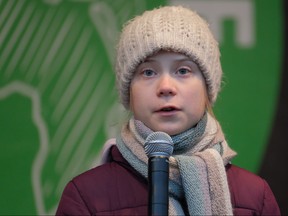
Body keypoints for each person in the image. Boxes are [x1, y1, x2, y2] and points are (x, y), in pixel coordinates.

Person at [56, 5, 280, 215]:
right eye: (148, 72)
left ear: (207, 87)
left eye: (183, 70)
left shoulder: (254, 196)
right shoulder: (86, 196)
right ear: (129, 92)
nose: (165, 87)